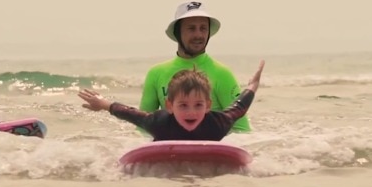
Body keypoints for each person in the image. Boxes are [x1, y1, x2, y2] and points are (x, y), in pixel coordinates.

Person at [78, 60, 264, 141]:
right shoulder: (159, 122)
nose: (191, 112)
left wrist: (252, 86)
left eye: (198, 105)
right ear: (169, 106)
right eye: (183, 105)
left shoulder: (217, 123)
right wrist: (102, 103)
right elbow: (130, 113)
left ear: (208, 106)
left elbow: (239, 107)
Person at [138, 1, 251, 132]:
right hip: (172, 149)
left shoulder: (222, 73)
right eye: (191, 28)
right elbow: (143, 127)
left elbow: (242, 129)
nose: (198, 35)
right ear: (177, 32)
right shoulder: (156, 73)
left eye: (203, 28)